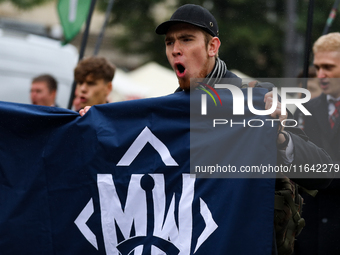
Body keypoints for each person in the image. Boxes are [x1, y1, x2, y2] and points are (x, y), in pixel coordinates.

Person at [80, 4, 333, 254]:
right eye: (170, 43)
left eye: (187, 40)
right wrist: (95, 123)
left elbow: (322, 173)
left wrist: (279, 137)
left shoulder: (256, 99)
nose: (176, 50)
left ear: (212, 47)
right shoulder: (169, 115)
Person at [293, 32, 340, 255]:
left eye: (328, 68)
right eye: (317, 67)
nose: (320, 75)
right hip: (310, 231)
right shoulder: (306, 110)